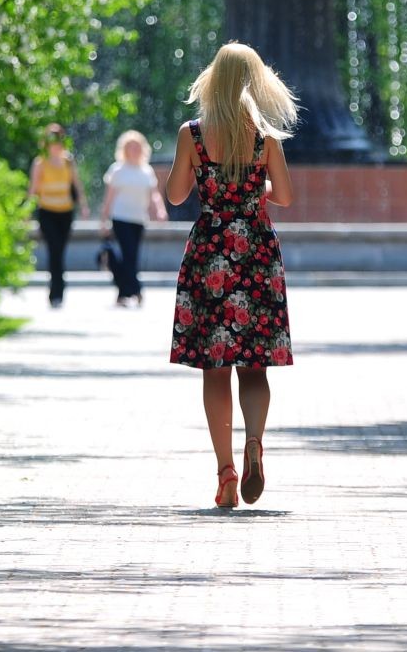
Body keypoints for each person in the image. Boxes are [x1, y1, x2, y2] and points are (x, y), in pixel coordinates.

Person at [165, 42, 297, 509]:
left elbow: (178, 195)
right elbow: (283, 196)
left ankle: (225, 472)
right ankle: (255, 441)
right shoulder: (266, 136)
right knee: (254, 364)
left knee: (215, 368)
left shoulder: (193, 133)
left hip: (212, 250)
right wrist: (252, 181)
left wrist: (208, 177)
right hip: (256, 250)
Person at [100, 130, 167, 308]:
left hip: (138, 219)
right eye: (130, 146)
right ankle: (137, 290)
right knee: (129, 254)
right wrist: (103, 219)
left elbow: (154, 195)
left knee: (131, 256)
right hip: (120, 217)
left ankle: (123, 293)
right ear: (124, 149)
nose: (134, 150)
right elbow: (109, 197)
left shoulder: (146, 170)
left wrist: (160, 210)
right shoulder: (117, 169)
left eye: (137, 146)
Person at [29, 123, 86, 307]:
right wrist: (26, 212)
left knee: (59, 251)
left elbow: (76, 184)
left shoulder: (68, 160)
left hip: (65, 212)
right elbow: (34, 188)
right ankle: (56, 292)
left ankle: (57, 290)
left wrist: (83, 205)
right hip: (47, 211)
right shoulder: (40, 162)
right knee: (54, 250)